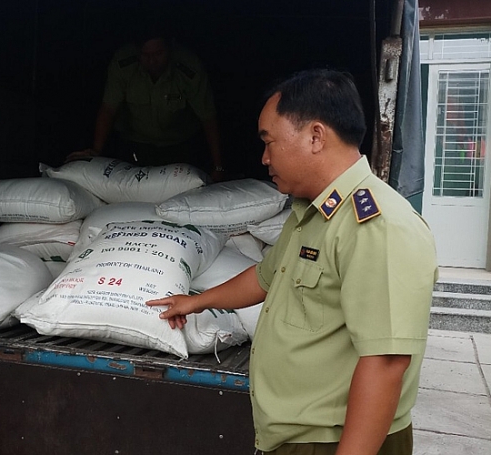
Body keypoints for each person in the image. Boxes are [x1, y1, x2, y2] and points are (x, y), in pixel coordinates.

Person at [148, 69, 438, 455]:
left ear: (316, 136)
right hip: (296, 436)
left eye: (269, 141)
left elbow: (385, 363)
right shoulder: (314, 213)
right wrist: (195, 301)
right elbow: (266, 279)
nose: (264, 157)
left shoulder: (377, 227)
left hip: (334, 440)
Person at [67, 34, 227, 181]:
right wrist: (97, 151)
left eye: (158, 54)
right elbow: (108, 108)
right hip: (136, 146)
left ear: (169, 49)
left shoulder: (188, 67)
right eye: (146, 55)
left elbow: (208, 117)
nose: (152, 61)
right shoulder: (124, 64)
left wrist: (218, 166)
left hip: (179, 146)